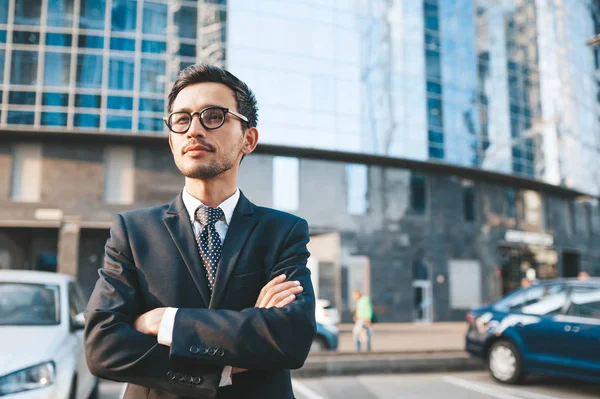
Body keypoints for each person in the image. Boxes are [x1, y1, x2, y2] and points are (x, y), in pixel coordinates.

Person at [84, 64, 316, 399]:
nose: (194, 129)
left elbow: (290, 339)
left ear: (248, 138)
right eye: (182, 119)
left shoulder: (283, 232)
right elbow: (103, 347)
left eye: (213, 116)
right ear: (172, 140)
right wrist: (233, 351)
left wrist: (164, 323)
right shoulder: (133, 231)